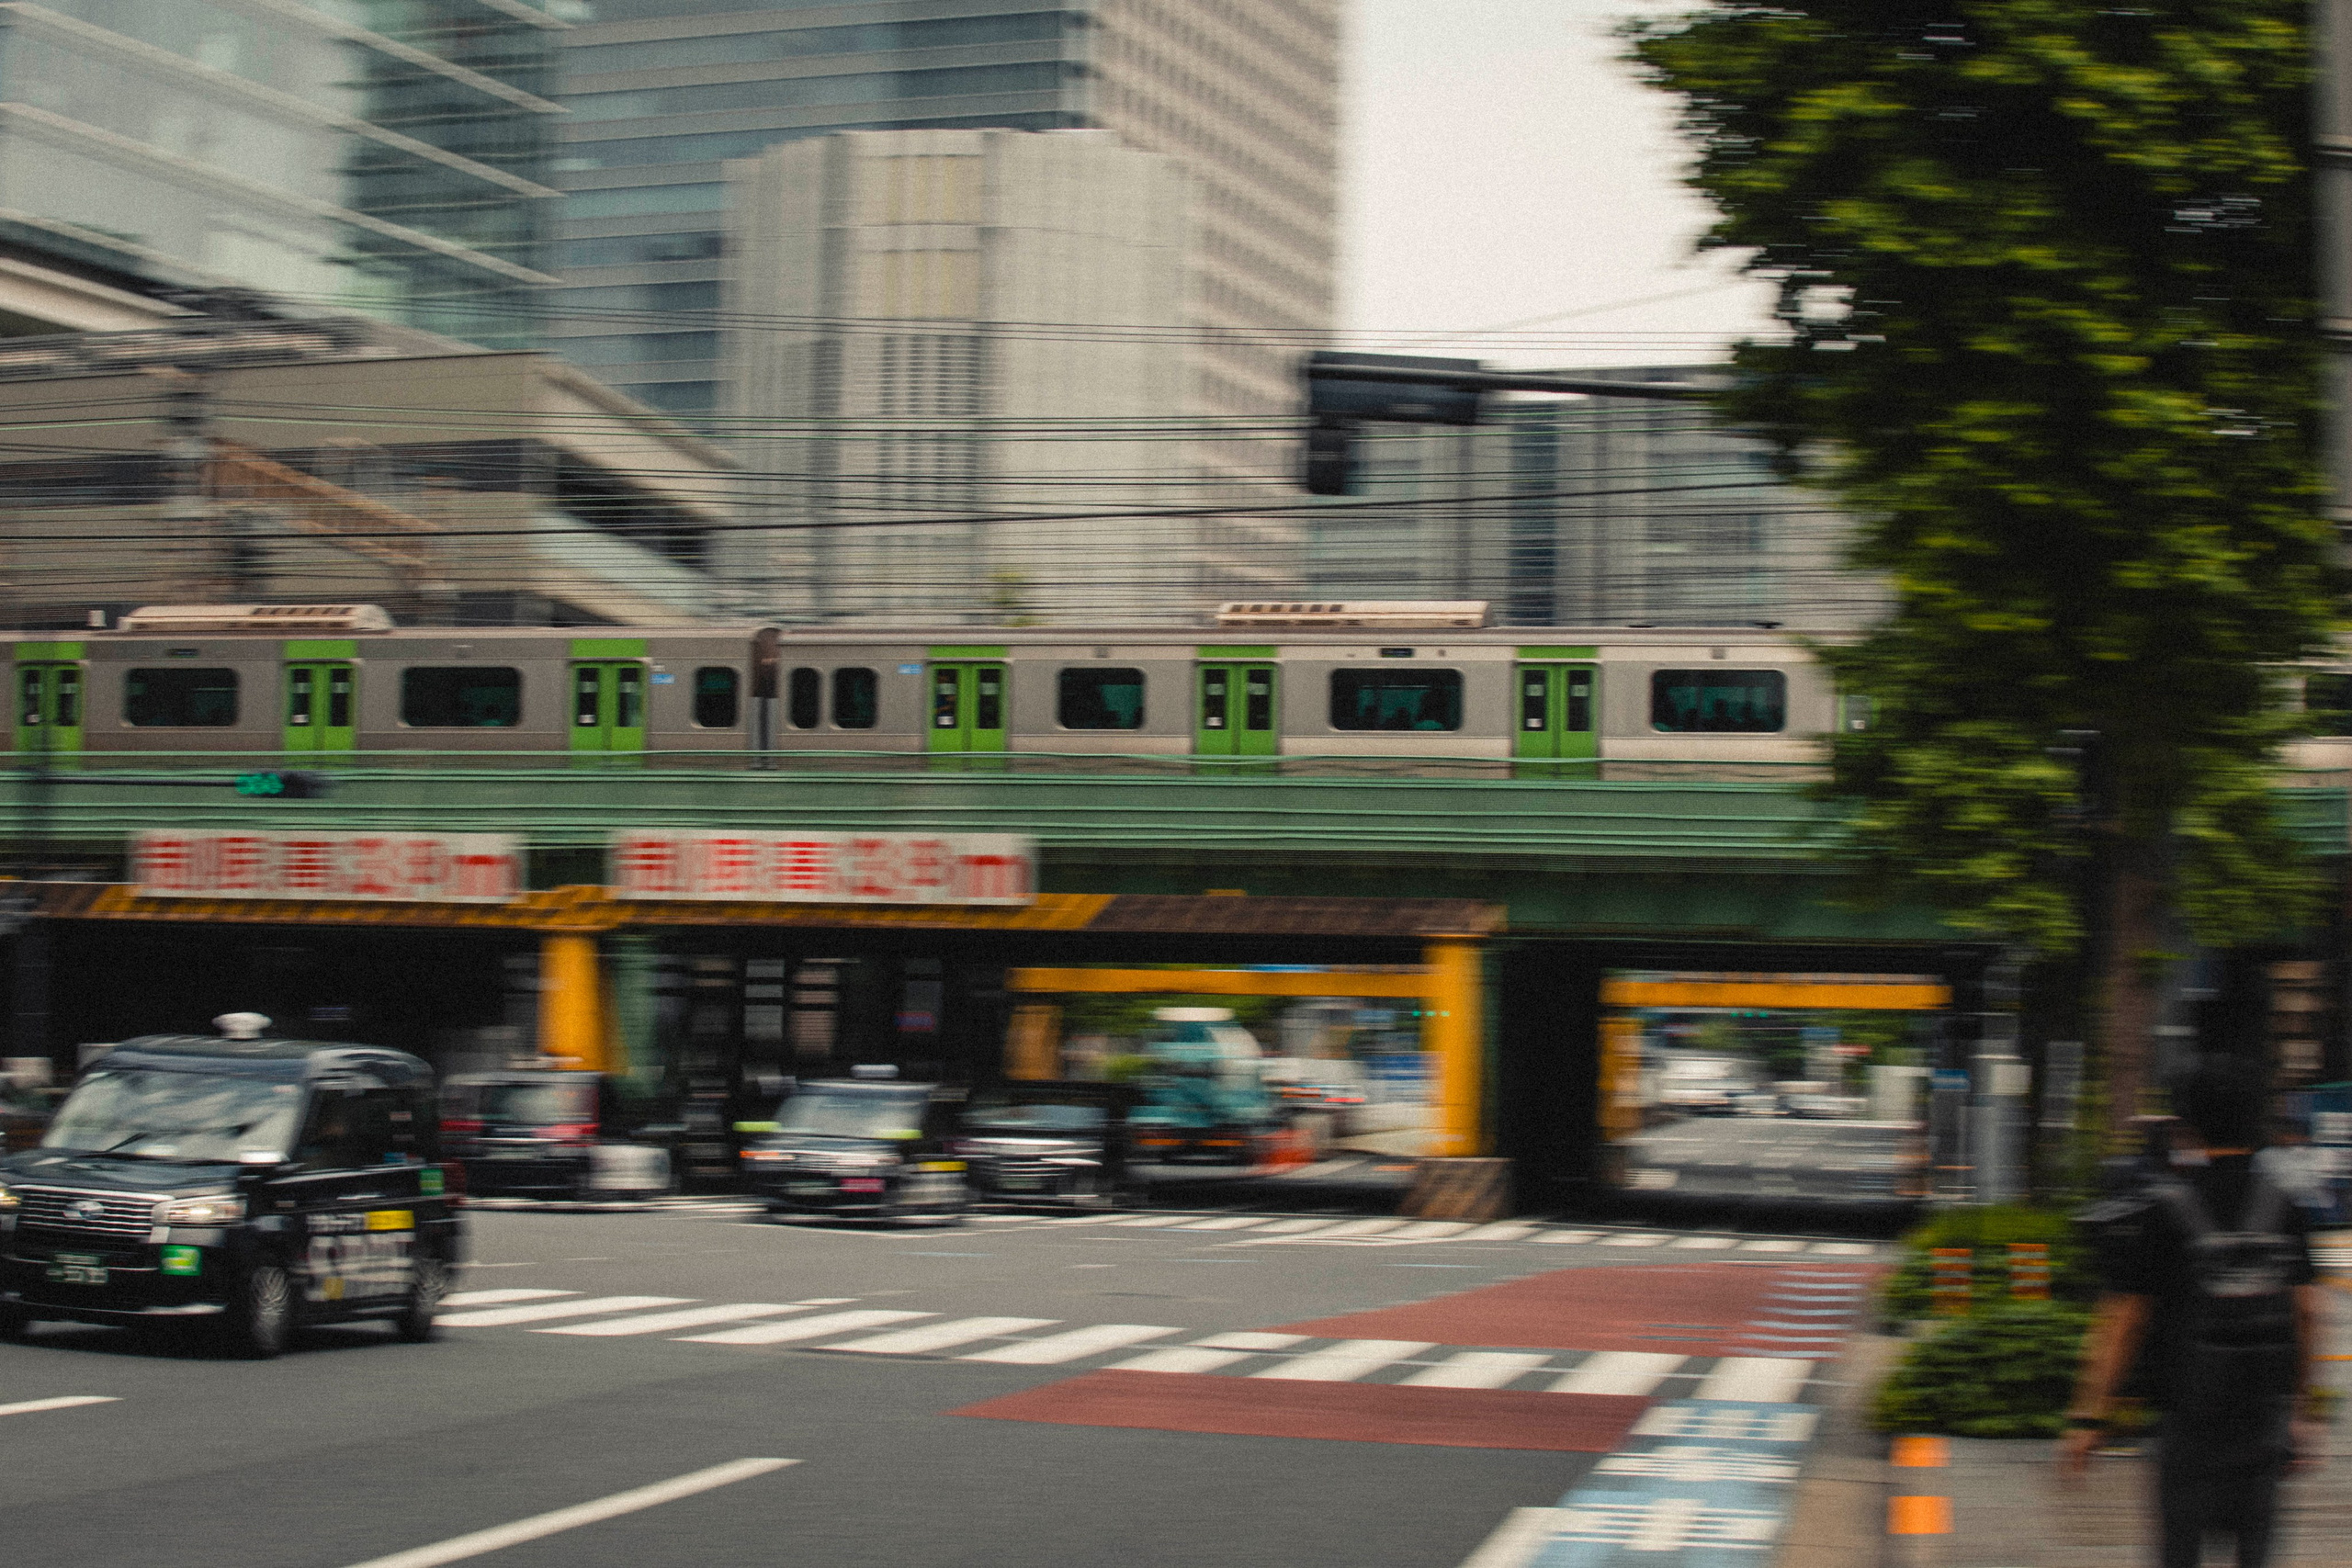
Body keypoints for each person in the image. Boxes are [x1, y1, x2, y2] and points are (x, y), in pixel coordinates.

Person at [2057, 1056, 2325, 1567]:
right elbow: (2309, 1312)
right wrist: (2305, 1409)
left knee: (2178, 1554)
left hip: (2187, 1423)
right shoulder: (2287, 1207)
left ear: (2188, 1127)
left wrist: (2089, 1418)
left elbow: (2122, 1321)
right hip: (2262, 1421)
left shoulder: (2164, 1210)